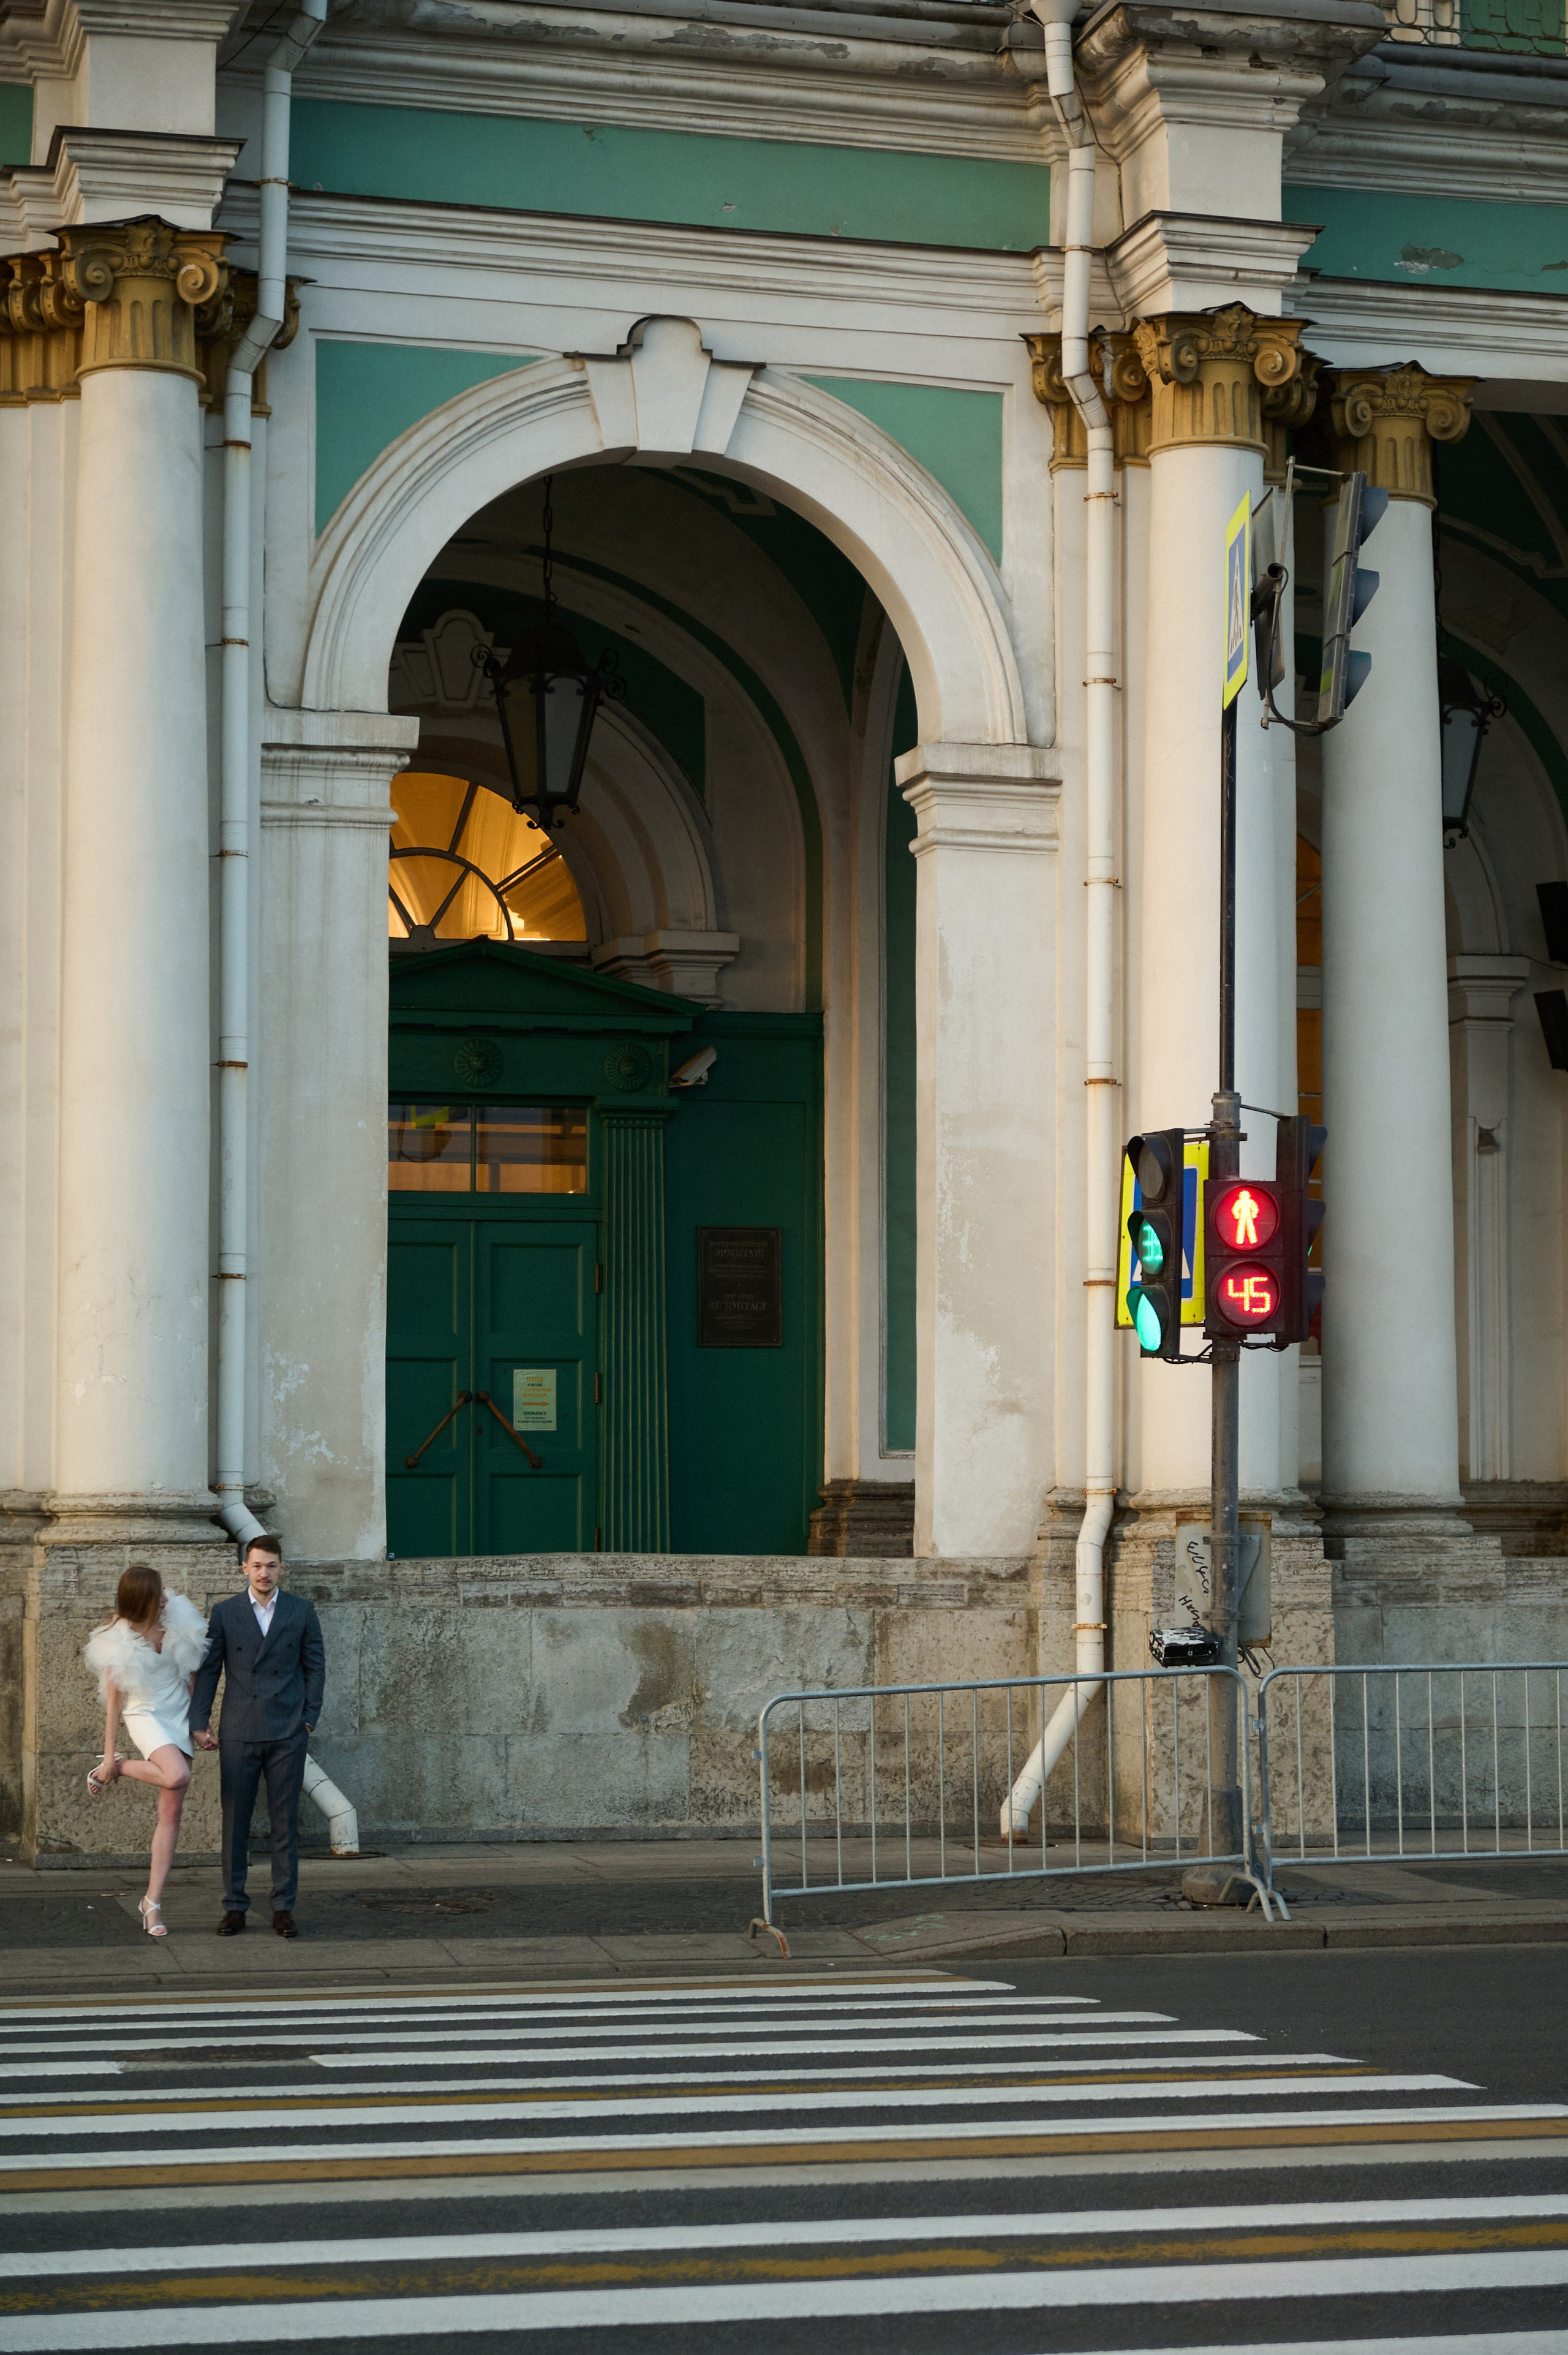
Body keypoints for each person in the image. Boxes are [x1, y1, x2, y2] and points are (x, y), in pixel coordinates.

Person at [189, 1533, 325, 1940]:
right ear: (244, 1569)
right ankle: (234, 1907)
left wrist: (308, 1720)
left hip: (288, 1730)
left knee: (285, 1823)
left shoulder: (302, 1610)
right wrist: (199, 1722)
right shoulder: (225, 1612)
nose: (264, 1573)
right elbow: (210, 1670)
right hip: (239, 1730)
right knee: (236, 1823)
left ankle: (283, 1908)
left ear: (282, 1569)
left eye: (271, 1565)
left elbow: (315, 1667)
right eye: (257, 1566)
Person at [83, 1565, 211, 1939]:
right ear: (143, 1600)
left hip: (179, 1714)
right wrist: (110, 1757)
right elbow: (113, 1706)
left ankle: (152, 1903)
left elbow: (192, 1679)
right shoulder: (116, 1640)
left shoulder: (177, 1621)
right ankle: (121, 1767)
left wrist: (201, 1726)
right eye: (158, 1595)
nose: (166, 1598)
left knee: (171, 1813)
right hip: (145, 1715)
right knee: (176, 1775)